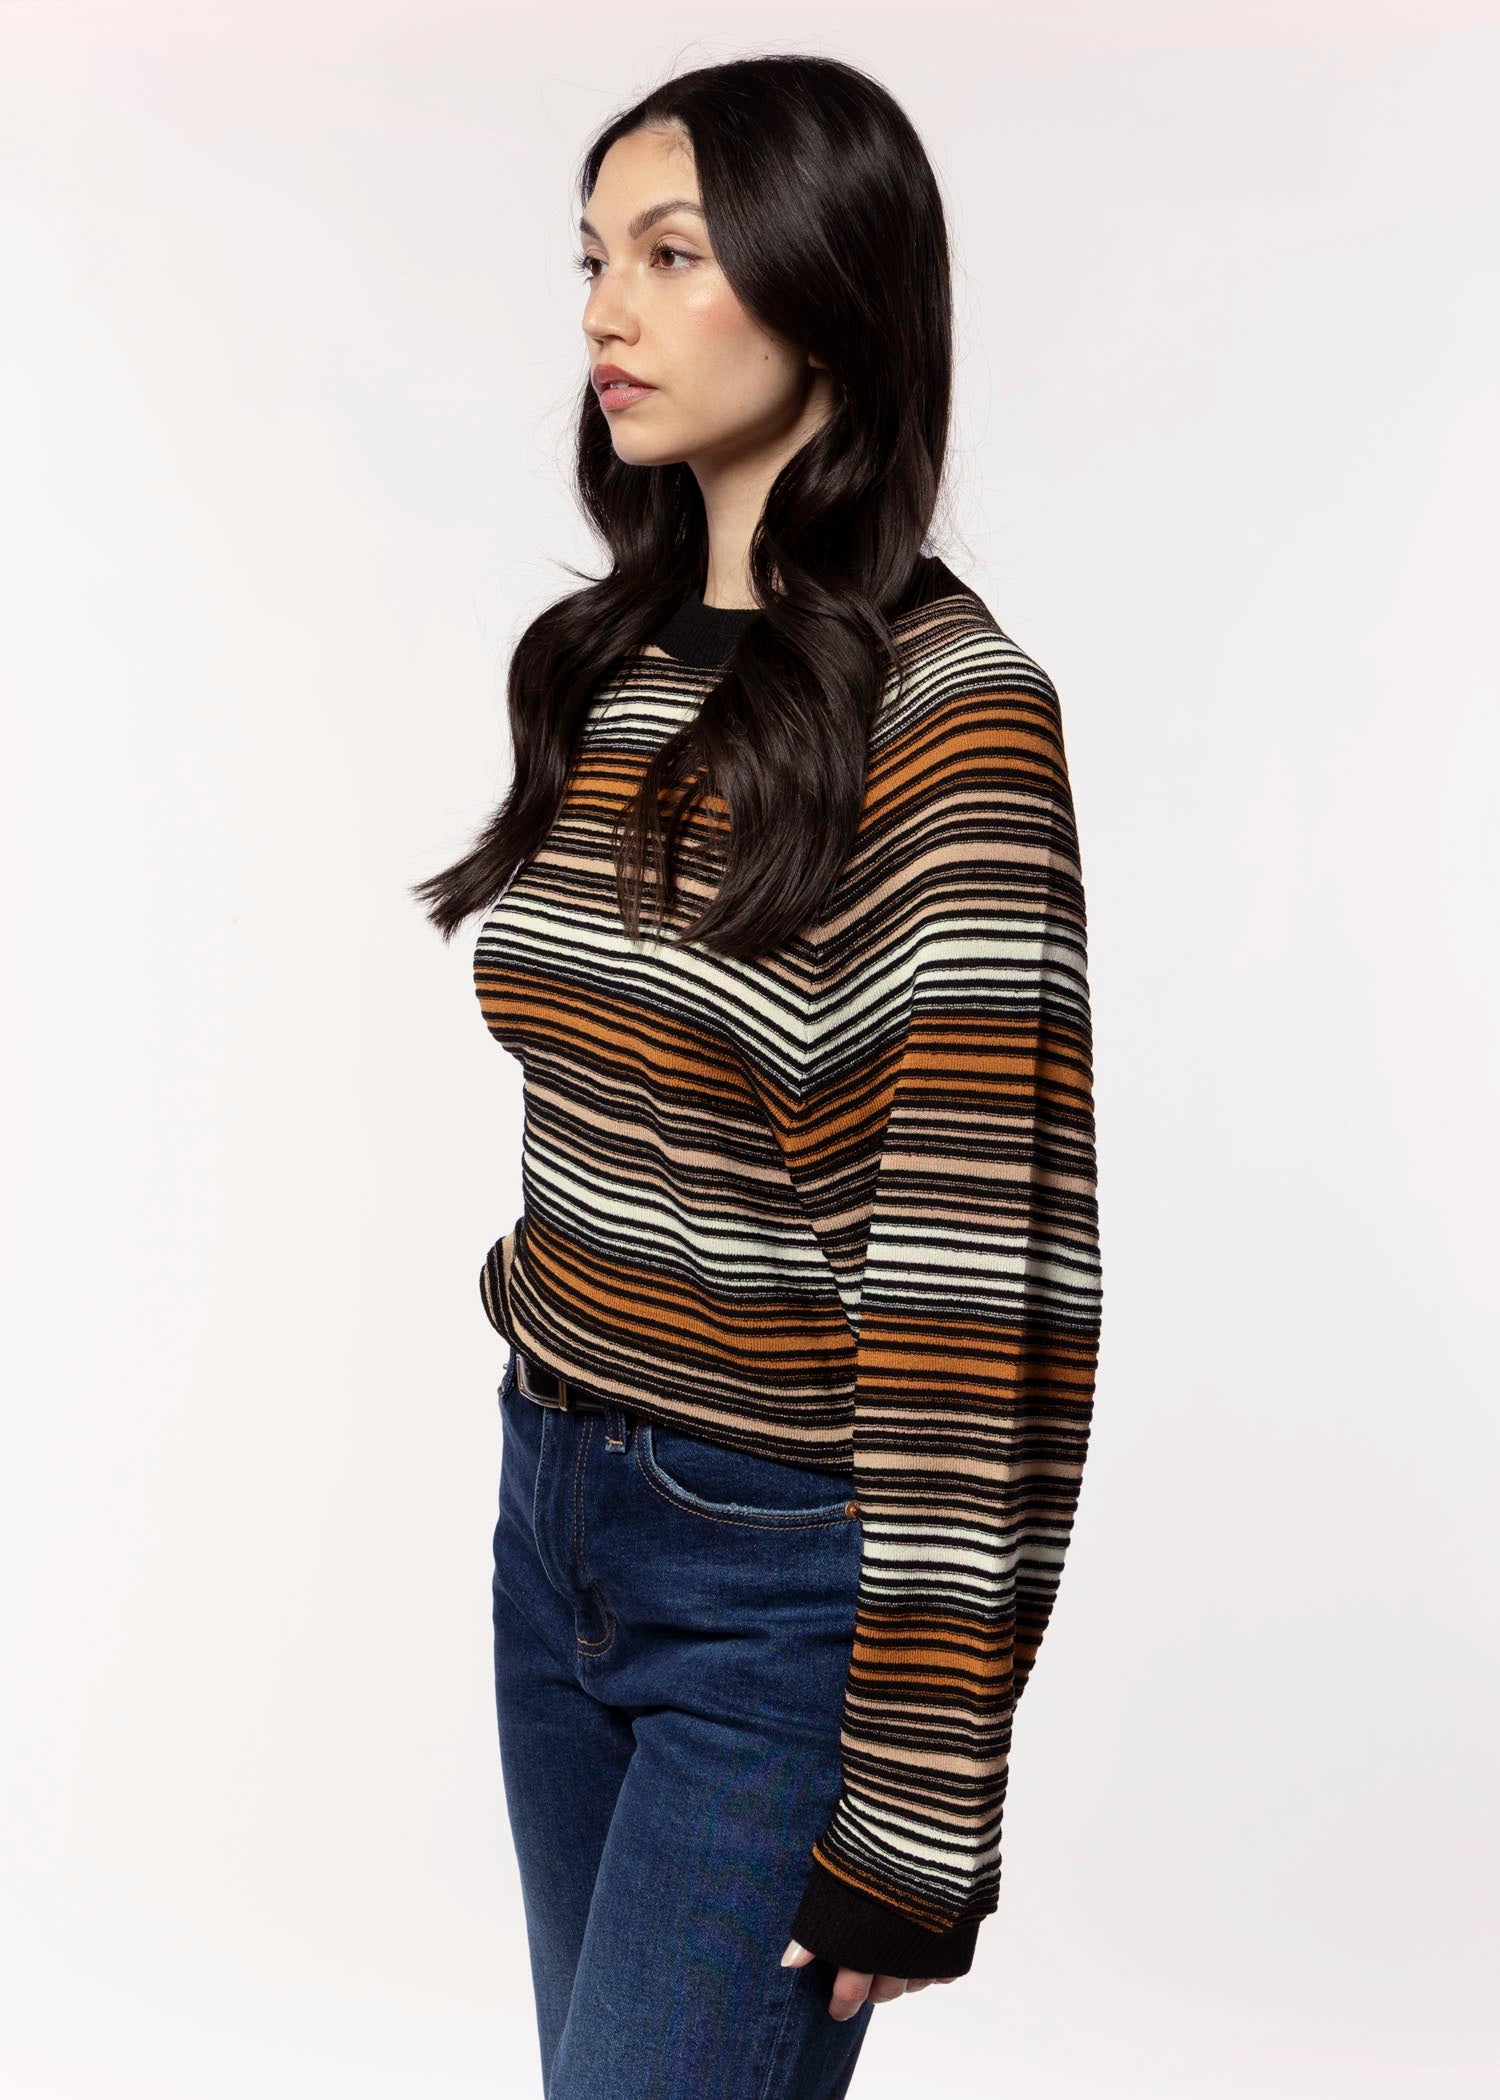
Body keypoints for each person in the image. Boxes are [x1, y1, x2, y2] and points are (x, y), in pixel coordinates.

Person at [412, 51, 1103, 2100]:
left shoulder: (954, 717)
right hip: (554, 1510)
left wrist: (921, 1797)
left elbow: (983, 1278)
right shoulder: (603, 666)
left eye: (672, 254)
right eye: (593, 260)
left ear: (827, 283)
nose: (607, 312)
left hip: (777, 1576)